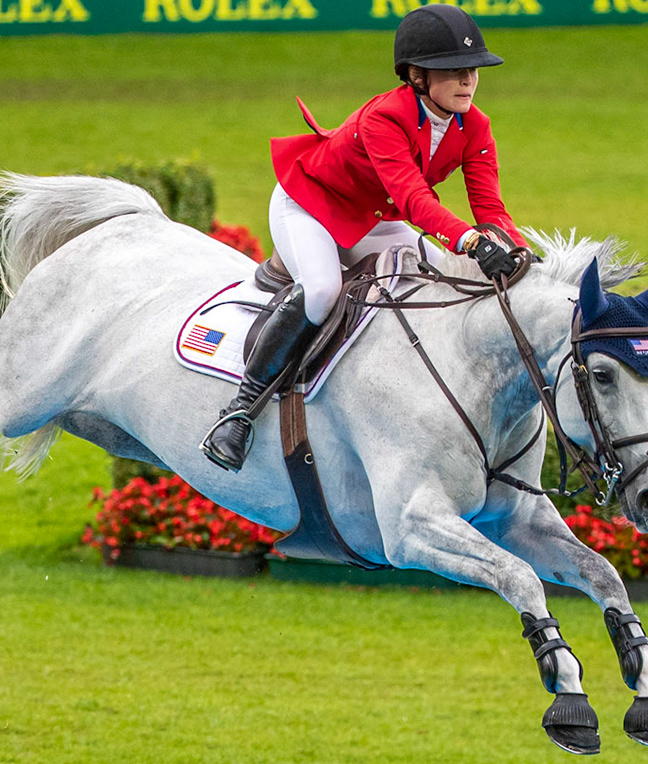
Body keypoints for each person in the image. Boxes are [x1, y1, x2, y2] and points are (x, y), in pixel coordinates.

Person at [202, 3, 526, 472]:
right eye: (453, 71)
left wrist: (515, 250)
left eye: (472, 70)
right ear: (416, 76)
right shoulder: (386, 117)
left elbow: (490, 208)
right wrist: (471, 243)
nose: (468, 81)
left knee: (438, 279)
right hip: (311, 204)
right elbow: (415, 200)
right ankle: (239, 411)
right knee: (322, 291)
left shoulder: (475, 126)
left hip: (373, 216)